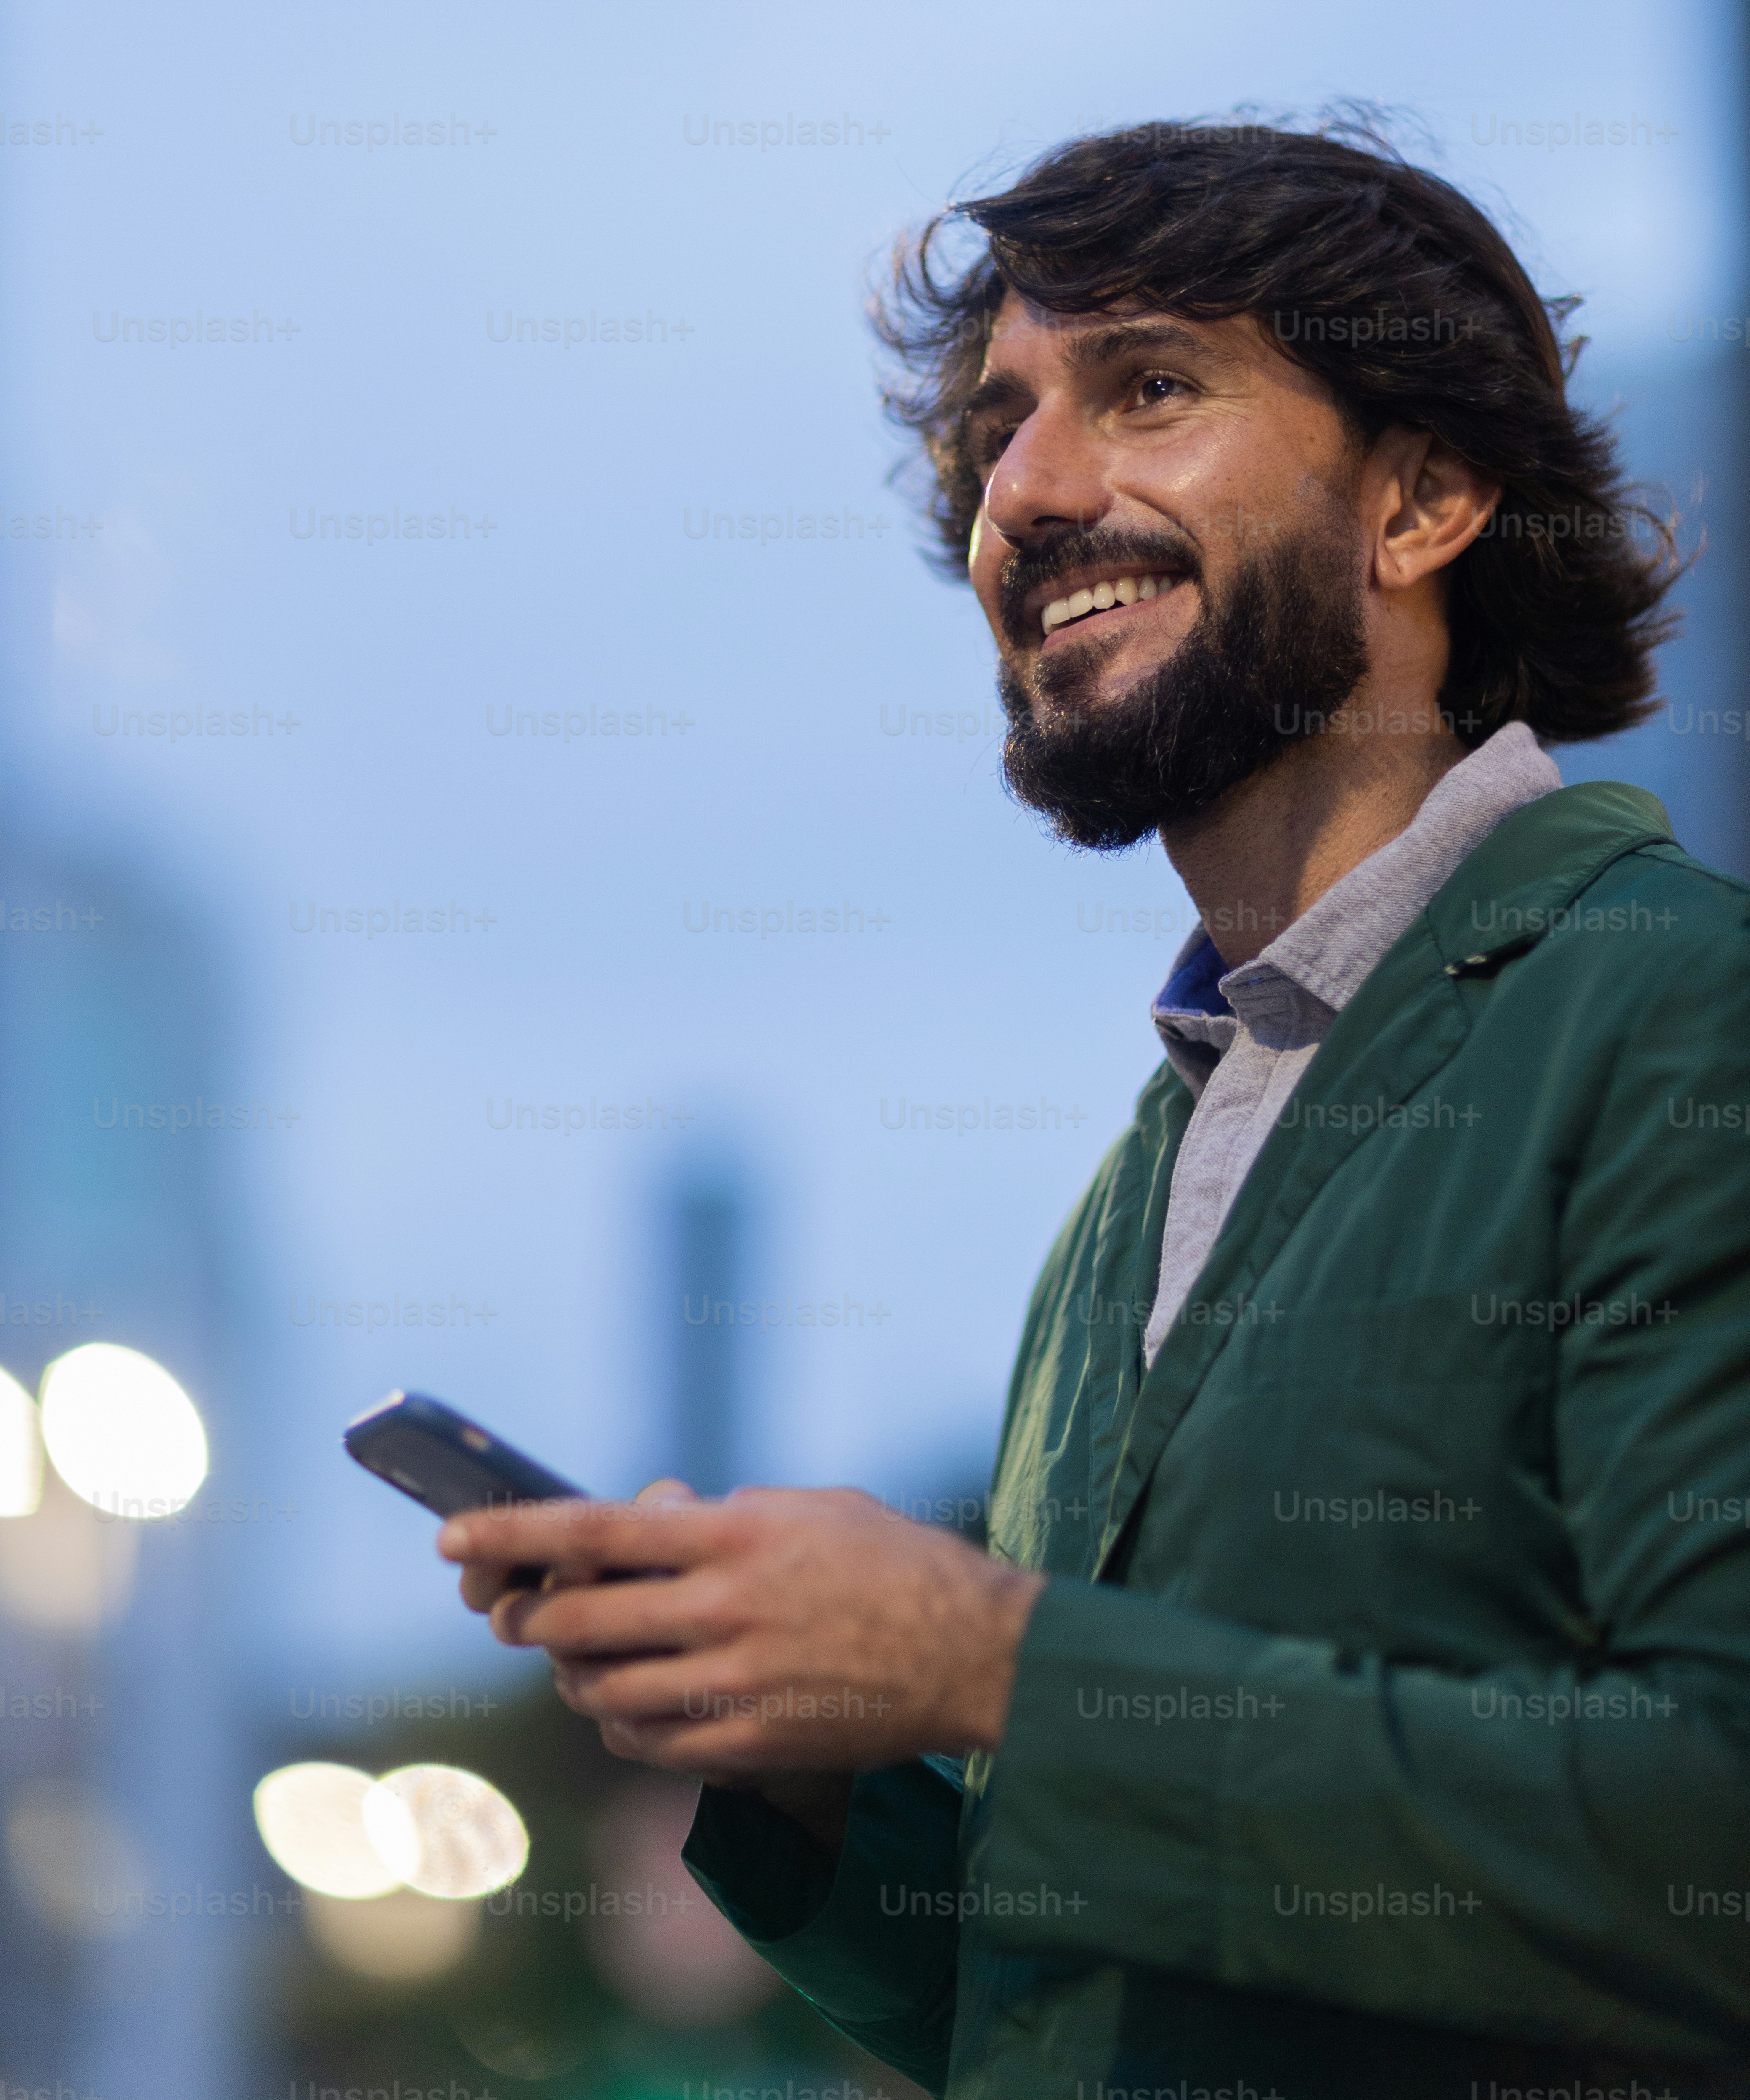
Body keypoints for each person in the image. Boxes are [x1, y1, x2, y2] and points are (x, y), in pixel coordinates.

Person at [439, 122, 1750, 2100]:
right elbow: (1078, 2002)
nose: (1022, 495)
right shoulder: (1139, 1189)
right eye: (991, 438)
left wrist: (987, 1661)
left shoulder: (1677, 1015)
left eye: (1145, 388)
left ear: (1423, 497)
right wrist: (816, 1770)